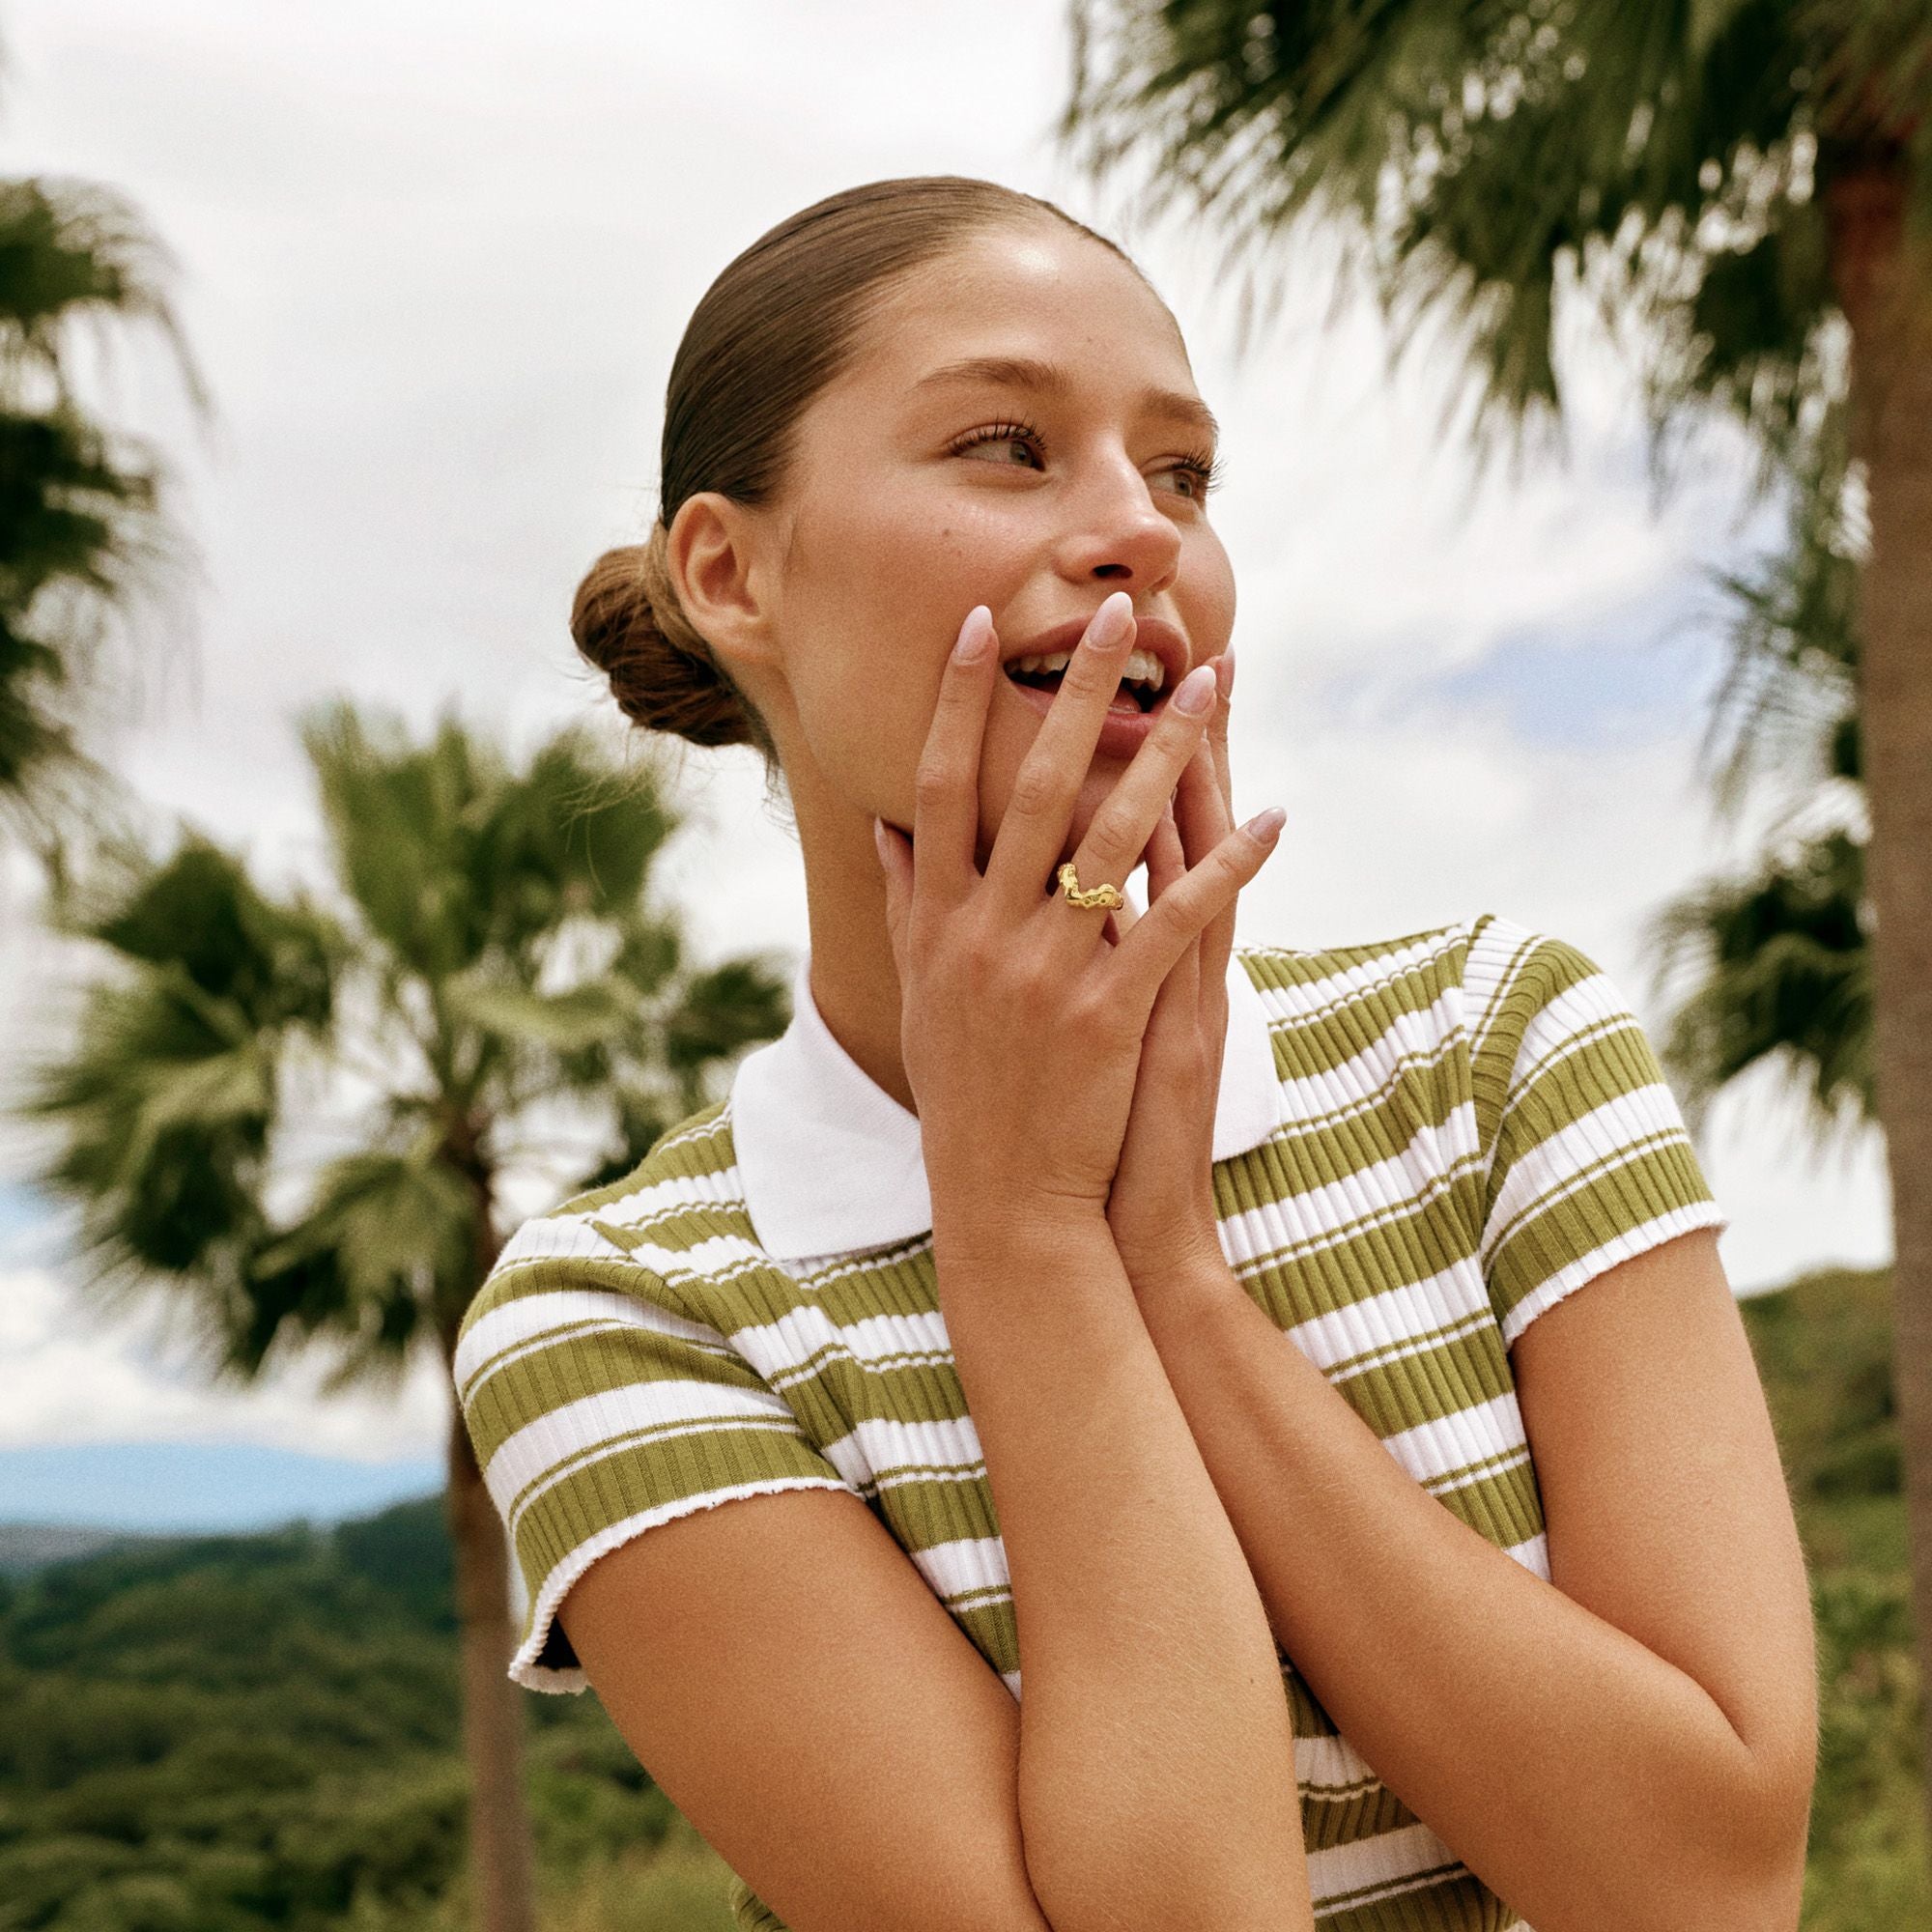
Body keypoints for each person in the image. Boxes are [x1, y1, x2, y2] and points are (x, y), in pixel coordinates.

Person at [453, 176, 1818, 1932]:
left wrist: (1170, 1272)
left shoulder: (1488, 1046)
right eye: (1008, 445)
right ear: (732, 573)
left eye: (1182, 474)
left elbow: (1707, 1890)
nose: (1141, 532)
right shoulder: (628, 1313)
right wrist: (1021, 1230)